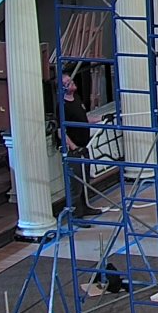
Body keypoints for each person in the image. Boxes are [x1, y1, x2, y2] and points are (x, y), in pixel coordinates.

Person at [58, 73, 100, 219]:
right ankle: (76, 214)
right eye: (67, 82)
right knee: (75, 183)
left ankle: (85, 207)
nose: (71, 82)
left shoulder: (76, 98)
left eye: (70, 79)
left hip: (84, 146)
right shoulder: (62, 106)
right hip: (75, 150)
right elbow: (61, 131)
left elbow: (84, 118)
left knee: (84, 180)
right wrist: (74, 147)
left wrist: (100, 119)